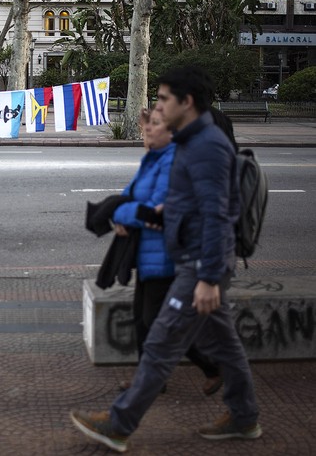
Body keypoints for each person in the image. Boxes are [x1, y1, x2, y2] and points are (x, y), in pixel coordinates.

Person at [70, 65, 261, 453]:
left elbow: (217, 215)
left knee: (158, 345)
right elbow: (183, 204)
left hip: (199, 265)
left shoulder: (206, 146)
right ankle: (244, 417)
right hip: (195, 259)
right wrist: (152, 216)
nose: (156, 106)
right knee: (225, 347)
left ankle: (119, 424)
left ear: (186, 103)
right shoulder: (192, 142)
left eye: (162, 99)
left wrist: (207, 278)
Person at [114, 107, 222, 397]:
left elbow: (158, 208)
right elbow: (127, 197)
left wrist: (126, 214)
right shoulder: (152, 160)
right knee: (143, 319)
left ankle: (209, 367)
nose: (146, 132)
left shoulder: (173, 162)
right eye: (144, 128)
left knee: (159, 322)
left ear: (171, 131)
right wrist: (120, 213)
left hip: (166, 255)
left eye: (153, 126)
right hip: (147, 253)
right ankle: (154, 377)